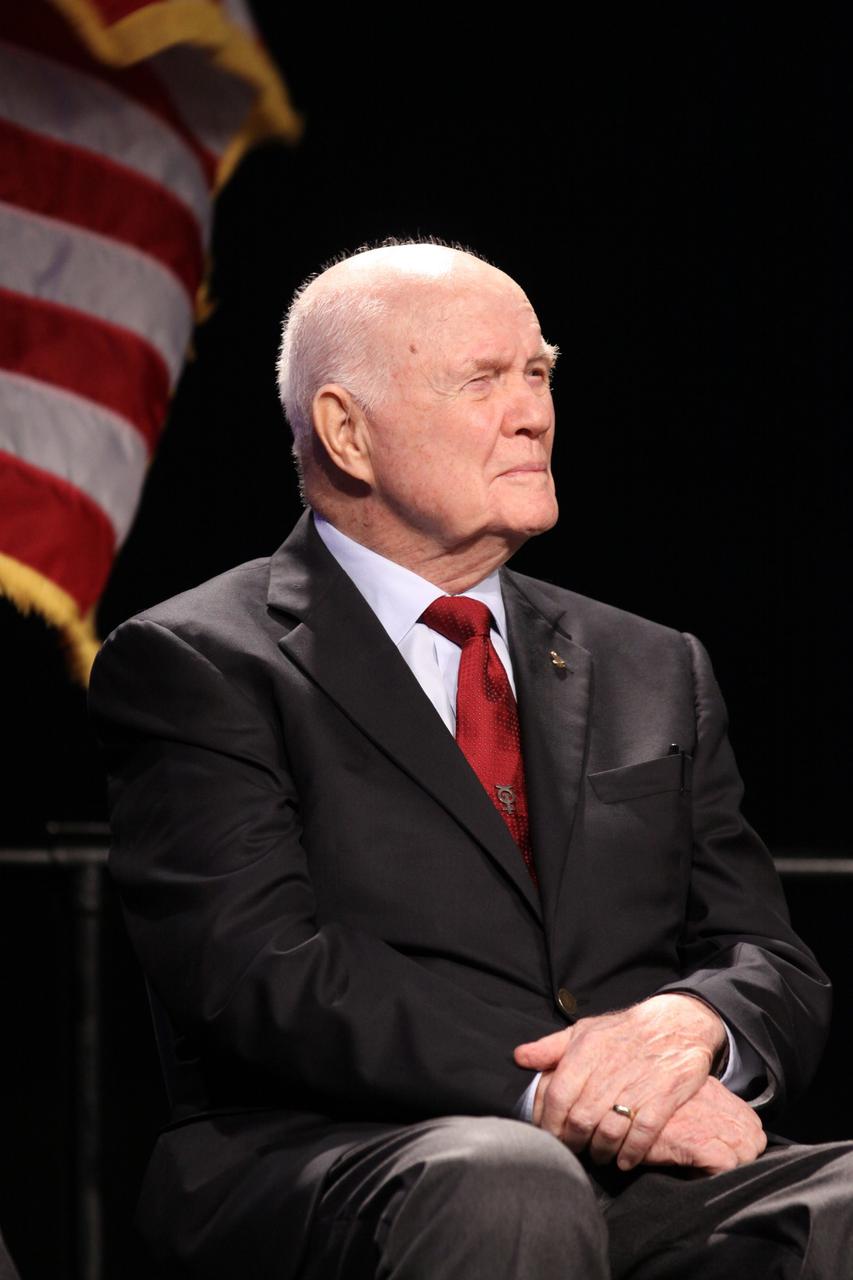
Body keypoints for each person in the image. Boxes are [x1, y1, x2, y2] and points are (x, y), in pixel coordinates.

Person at [90, 241, 853, 1279]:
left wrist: (695, 1022)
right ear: (346, 431)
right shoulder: (200, 659)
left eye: (537, 372)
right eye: (482, 380)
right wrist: (556, 1086)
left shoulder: (649, 662)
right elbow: (260, 967)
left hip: (646, 1162)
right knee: (510, 1179)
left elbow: (769, 959)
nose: (533, 411)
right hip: (343, 1149)